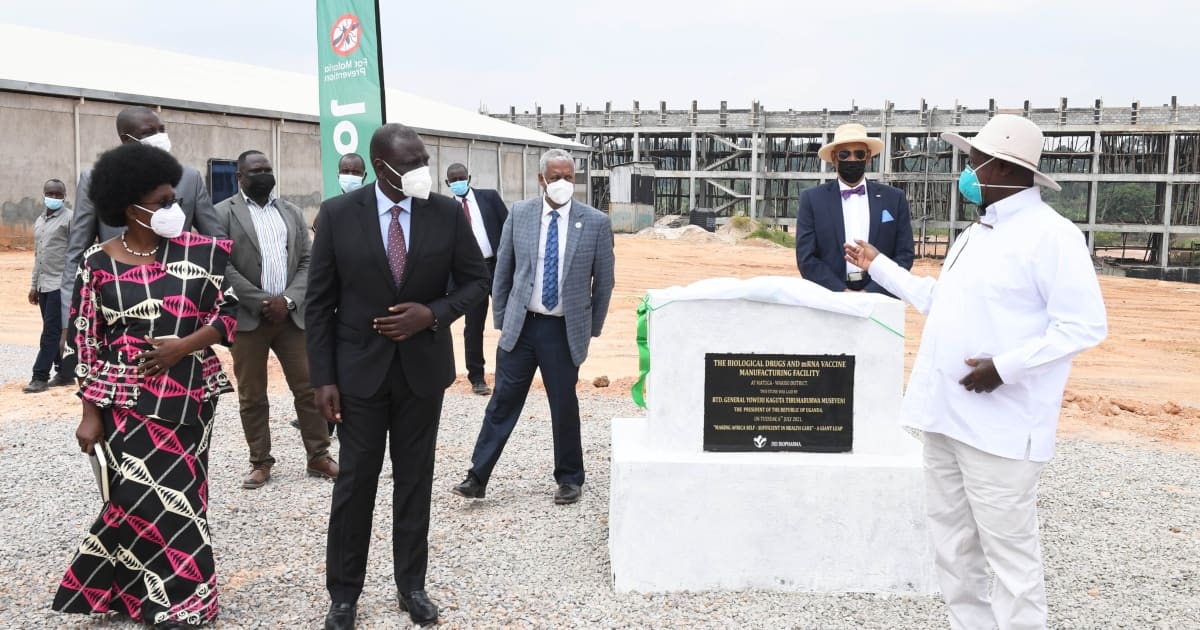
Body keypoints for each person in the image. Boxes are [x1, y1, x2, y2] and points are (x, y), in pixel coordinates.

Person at [843, 114, 1108, 630]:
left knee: (1011, 560)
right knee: (953, 549)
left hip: (1001, 427)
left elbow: (1083, 325)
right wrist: (879, 266)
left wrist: (1004, 368)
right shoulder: (978, 233)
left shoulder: (1051, 236)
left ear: (1002, 168)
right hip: (946, 416)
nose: (966, 171)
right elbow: (942, 304)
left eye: (972, 161)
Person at [306, 123, 490, 629]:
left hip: (421, 374)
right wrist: (322, 378)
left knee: (415, 483)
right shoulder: (340, 215)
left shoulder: (447, 213)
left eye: (423, 160)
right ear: (382, 167)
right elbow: (319, 304)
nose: (421, 171)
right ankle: (344, 594)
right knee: (355, 486)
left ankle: (412, 585)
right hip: (358, 376)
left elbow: (477, 282)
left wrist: (432, 314)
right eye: (410, 164)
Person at [51, 142, 237, 629]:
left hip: (189, 396)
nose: (173, 210)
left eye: (174, 199)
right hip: (122, 400)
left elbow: (231, 313)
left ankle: (189, 602)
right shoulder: (98, 262)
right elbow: (86, 342)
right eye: (161, 203)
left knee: (180, 497)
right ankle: (134, 595)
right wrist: (90, 413)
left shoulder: (203, 252)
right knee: (131, 499)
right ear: (129, 208)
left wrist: (183, 346)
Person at [452, 148, 615, 506]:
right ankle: (477, 476)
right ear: (541, 180)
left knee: (564, 405)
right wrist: (502, 319)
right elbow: (503, 271)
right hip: (521, 328)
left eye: (569, 177)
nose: (563, 183)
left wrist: (590, 329)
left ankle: (570, 478)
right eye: (555, 177)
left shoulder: (595, 223)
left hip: (561, 331)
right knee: (502, 402)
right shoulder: (521, 215)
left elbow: (603, 284)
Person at [215, 150, 337, 489]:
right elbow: (221, 265)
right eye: (256, 170)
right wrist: (260, 301)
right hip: (249, 319)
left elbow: (309, 262)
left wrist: (287, 300)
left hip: (291, 317)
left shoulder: (292, 212)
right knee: (252, 395)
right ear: (240, 176)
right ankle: (260, 461)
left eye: (268, 169)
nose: (264, 175)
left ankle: (318, 456)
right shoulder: (222, 213)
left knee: (310, 388)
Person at [59, 105, 224, 347]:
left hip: (180, 309)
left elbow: (217, 244)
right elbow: (76, 254)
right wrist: (68, 324)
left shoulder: (189, 177)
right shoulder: (96, 179)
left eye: (162, 129)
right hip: (119, 310)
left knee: (179, 380)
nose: (160, 136)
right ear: (126, 139)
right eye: (149, 132)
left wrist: (221, 311)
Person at [796, 123, 914, 294]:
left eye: (858, 154)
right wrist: (841, 291)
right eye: (845, 154)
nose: (852, 160)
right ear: (834, 158)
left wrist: (871, 292)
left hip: (880, 299)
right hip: (830, 299)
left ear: (868, 157)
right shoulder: (812, 200)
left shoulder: (894, 199)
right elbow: (806, 258)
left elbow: (904, 255)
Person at [445, 162, 509, 395]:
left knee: (509, 322)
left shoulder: (489, 198)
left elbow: (508, 226)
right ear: (447, 184)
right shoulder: (445, 209)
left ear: (469, 178)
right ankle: (477, 378)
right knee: (473, 327)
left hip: (496, 267)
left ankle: (509, 373)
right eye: (454, 180)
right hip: (469, 276)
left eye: (461, 177)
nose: (458, 182)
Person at [25, 178, 74, 393]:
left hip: (60, 285)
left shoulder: (70, 219)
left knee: (51, 332)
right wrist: (34, 286)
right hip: (44, 285)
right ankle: (64, 373)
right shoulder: (40, 220)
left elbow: (77, 252)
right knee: (50, 329)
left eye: (58, 194)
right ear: (44, 194)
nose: (54, 198)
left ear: (64, 196)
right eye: (51, 194)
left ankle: (40, 376)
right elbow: (39, 256)